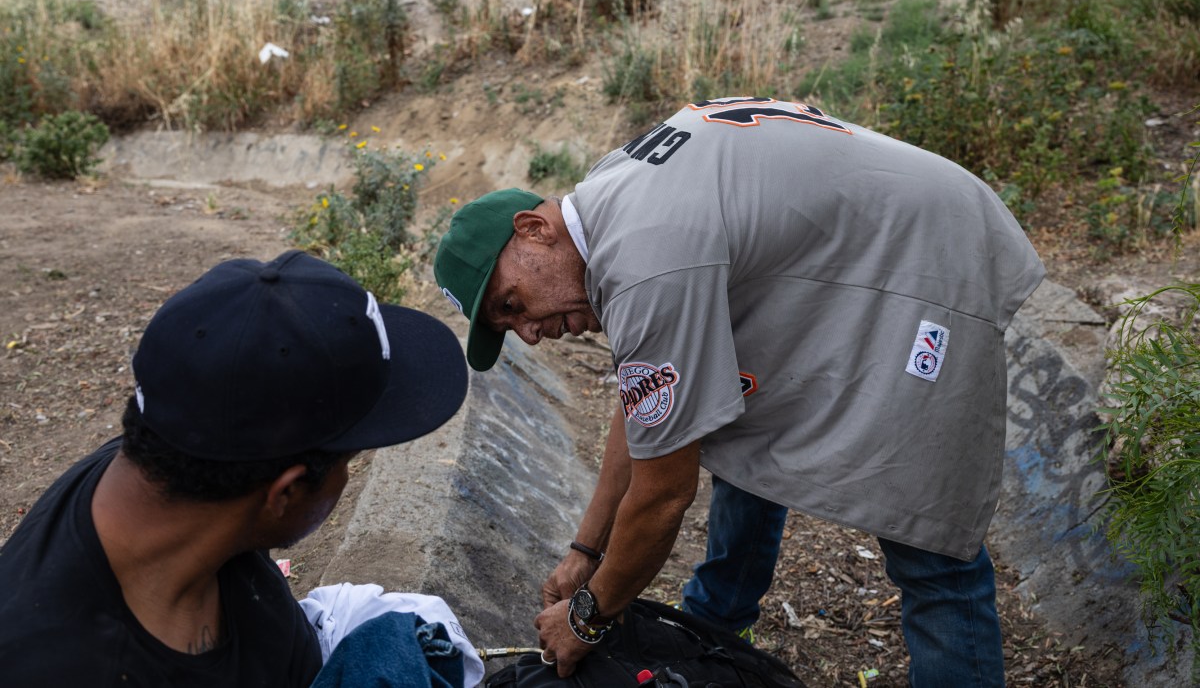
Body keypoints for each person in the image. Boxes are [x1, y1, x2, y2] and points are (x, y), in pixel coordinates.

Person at [434, 96, 1045, 687]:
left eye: (513, 305)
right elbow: (647, 408)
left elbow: (663, 495)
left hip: (934, 255)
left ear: (534, 228)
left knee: (925, 533)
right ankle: (713, 631)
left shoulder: (644, 262)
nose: (532, 334)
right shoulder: (605, 202)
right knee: (730, 413)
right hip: (863, 249)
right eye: (510, 329)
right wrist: (585, 552)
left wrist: (588, 619)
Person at [0, 250, 470, 687]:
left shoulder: (176, 462)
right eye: (350, 461)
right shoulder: (62, 663)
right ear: (285, 494)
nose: (347, 477)